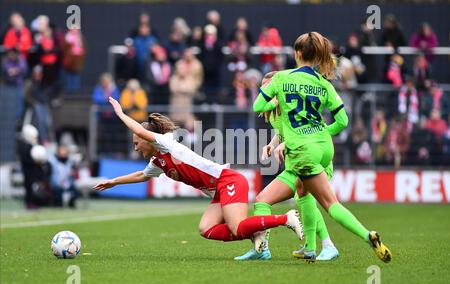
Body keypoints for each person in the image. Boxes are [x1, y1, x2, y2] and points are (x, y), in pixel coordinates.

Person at [93, 97, 304, 256]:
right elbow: (142, 175)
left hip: (228, 180)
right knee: (206, 229)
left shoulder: (165, 142)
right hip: (219, 191)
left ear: (145, 138)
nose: (136, 147)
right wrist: (113, 182)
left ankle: (286, 218)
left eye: (137, 143)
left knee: (237, 226)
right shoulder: (158, 160)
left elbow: (139, 129)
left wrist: (121, 114)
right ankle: (256, 234)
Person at [253, 31, 392, 263]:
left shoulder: (282, 78)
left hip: (304, 149)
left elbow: (258, 104)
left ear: (296, 53)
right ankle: (309, 247)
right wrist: (318, 134)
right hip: (325, 147)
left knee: (329, 203)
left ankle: (363, 236)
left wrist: (275, 99)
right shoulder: (323, 83)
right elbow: (343, 122)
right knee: (302, 191)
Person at [235, 71, 339, 262]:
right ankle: (262, 249)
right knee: (262, 200)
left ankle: (328, 245)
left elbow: (311, 131)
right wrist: (273, 144)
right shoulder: (275, 111)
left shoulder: (293, 105)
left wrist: (289, 143)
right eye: (263, 88)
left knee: (304, 200)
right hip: (294, 166)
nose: (264, 91)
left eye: (268, 87)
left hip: (314, 162)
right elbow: (282, 132)